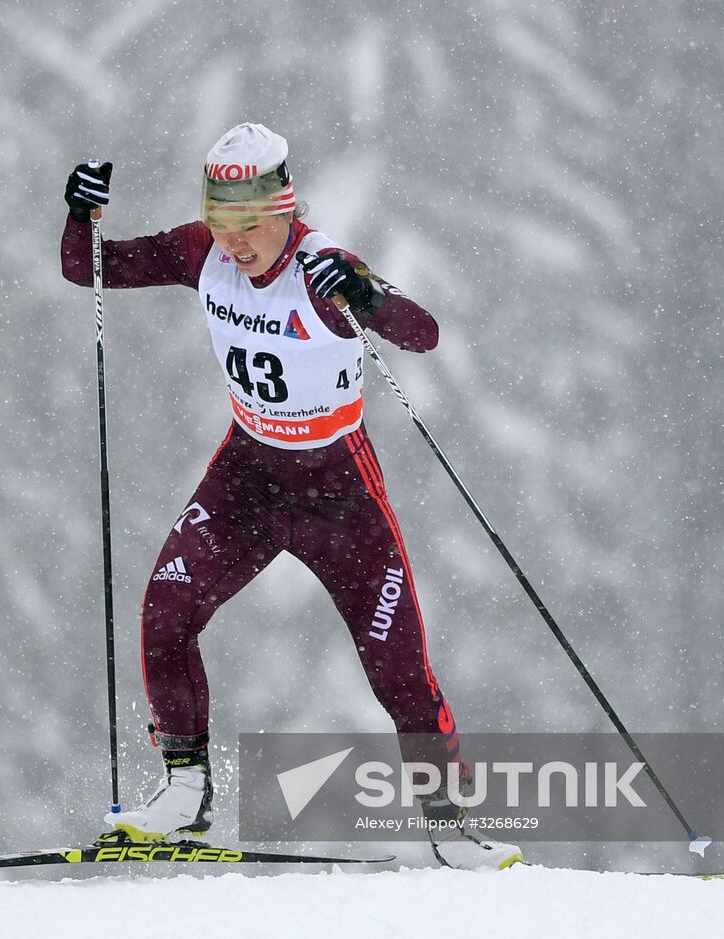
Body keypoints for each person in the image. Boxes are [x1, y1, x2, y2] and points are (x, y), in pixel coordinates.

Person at [60, 123, 521, 870]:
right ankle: (185, 790)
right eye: (221, 224)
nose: (235, 244)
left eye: (250, 226)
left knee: (396, 665)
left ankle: (449, 823)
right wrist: (81, 215)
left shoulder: (321, 267)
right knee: (166, 609)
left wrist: (368, 297)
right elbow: (91, 271)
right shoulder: (199, 252)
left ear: (285, 210)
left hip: (339, 489)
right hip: (248, 476)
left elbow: (424, 333)